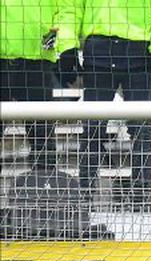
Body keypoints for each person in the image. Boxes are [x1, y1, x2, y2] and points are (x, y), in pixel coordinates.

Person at [60, 0, 151, 198]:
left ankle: (140, 194)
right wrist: (67, 46)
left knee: (141, 128)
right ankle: (85, 194)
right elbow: (71, 8)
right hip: (100, 53)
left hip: (139, 53)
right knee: (94, 127)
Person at [0, 0, 77, 169]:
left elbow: (65, 10)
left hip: (37, 60)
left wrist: (66, 45)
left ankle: (44, 188)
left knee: (41, 133)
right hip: (4, 60)